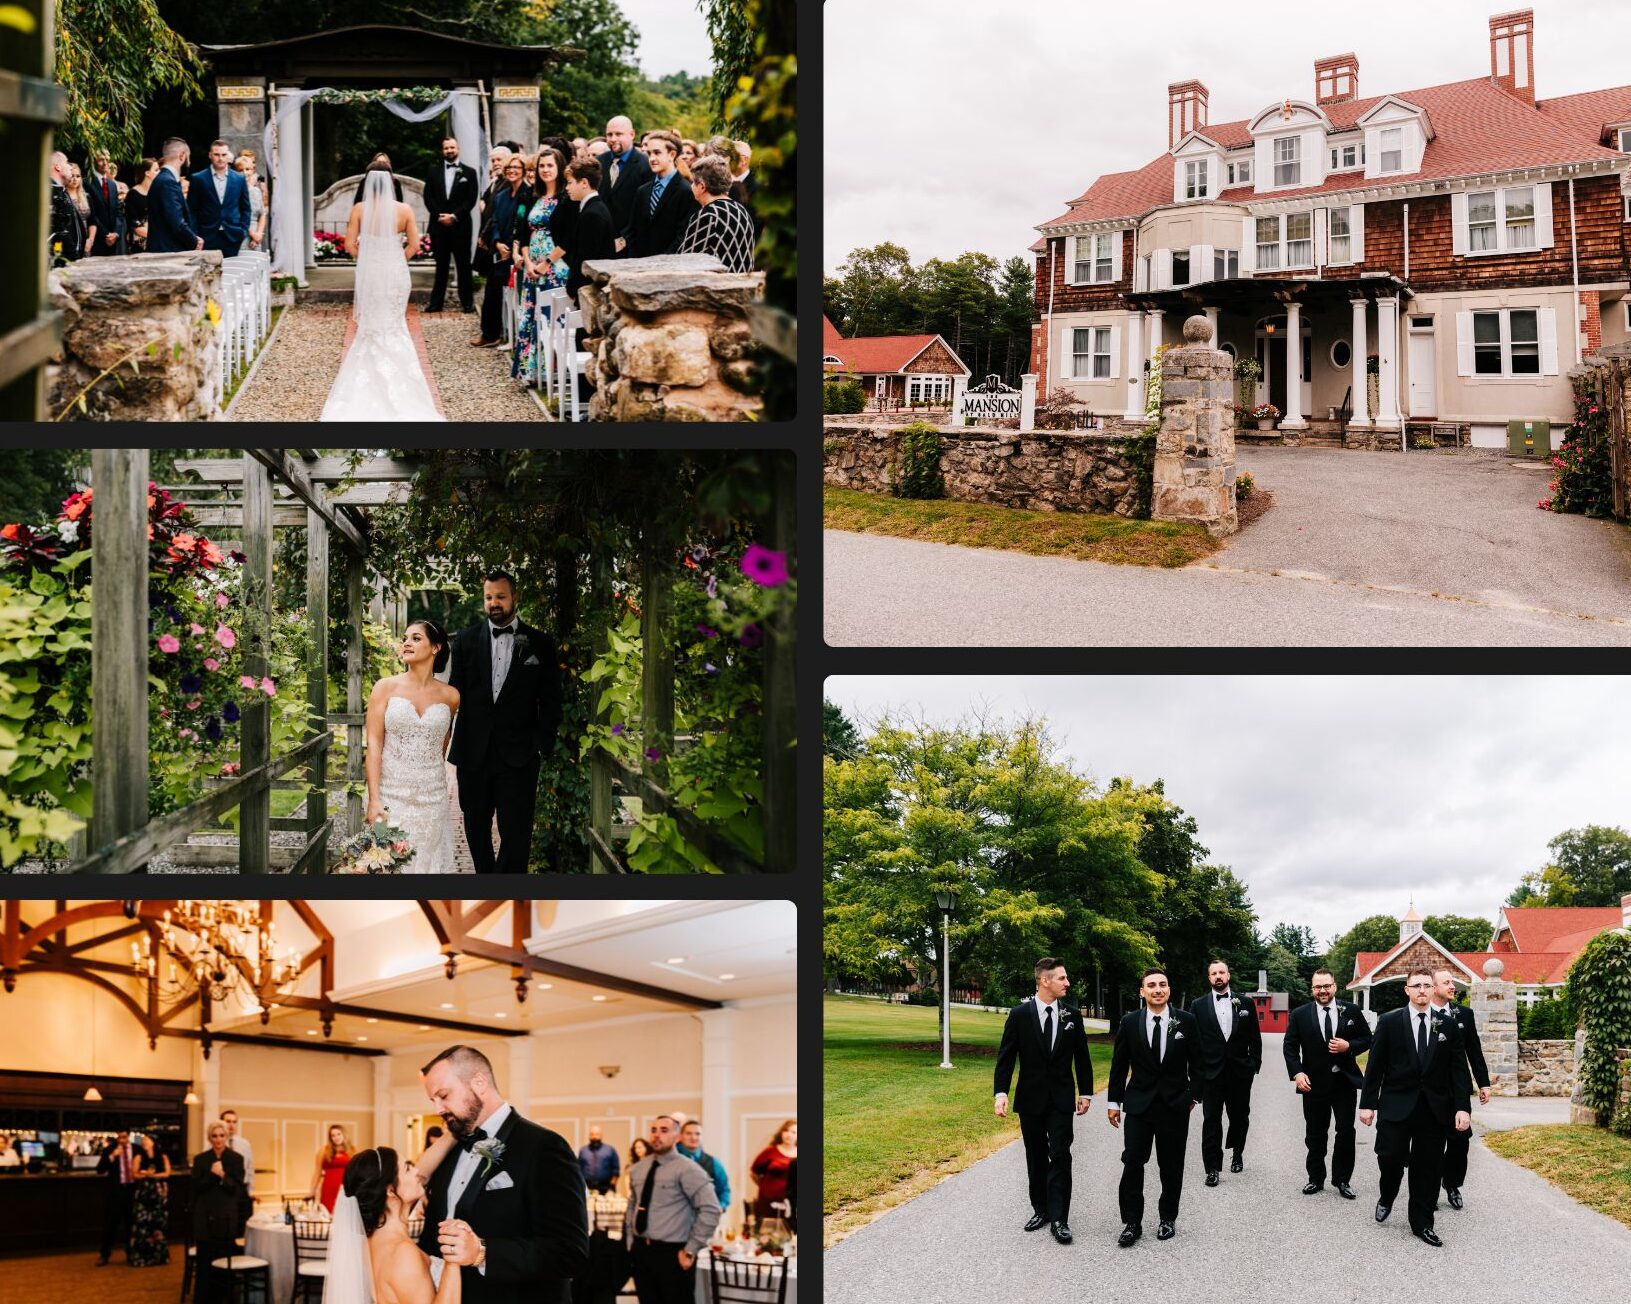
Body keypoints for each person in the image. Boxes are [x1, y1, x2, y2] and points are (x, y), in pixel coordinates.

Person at [415, 1044, 589, 1304]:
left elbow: (568, 1252)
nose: (438, 1109)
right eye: (434, 1101)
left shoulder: (543, 1147)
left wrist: (482, 1252)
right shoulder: (449, 1150)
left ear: (479, 1082)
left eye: (444, 1095)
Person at [446, 572, 563, 874]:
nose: (494, 603)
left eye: (500, 596)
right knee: (474, 827)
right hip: (473, 755)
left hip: (519, 757)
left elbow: (551, 700)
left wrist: (539, 746)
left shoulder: (540, 644)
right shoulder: (465, 641)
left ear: (515, 598)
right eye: (488, 597)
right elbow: (453, 694)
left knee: (517, 834)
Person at [1358, 967, 1475, 1247]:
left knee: (1428, 1168)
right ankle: (1387, 1194)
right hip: (1396, 1106)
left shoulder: (1447, 1025)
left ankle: (1422, 1223)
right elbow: (1375, 1067)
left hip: (1434, 1110)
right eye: (1416, 985)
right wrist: (1367, 1105)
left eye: (1426, 985)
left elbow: (1459, 1070)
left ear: (1432, 989)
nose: (1422, 990)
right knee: (1390, 1158)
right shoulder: (1389, 1022)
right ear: (1407, 990)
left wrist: (1462, 1107)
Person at [320, 165, 445, 423]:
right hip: (396, 272)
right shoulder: (404, 210)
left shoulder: (359, 209)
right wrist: (397, 258)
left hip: (372, 273)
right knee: (395, 323)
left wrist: (368, 256)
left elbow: (348, 245)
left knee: (371, 323)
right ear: (391, 182)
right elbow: (415, 244)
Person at [992, 957, 1094, 1245]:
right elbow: (1006, 1057)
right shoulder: (1020, 1015)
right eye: (1062, 978)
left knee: (1060, 1154)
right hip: (1030, 1099)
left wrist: (1085, 1093)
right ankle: (1041, 1210)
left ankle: (1060, 1218)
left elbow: (1082, 1058)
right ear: (1044, 980)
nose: (1067, 983)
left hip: (1062, 1099)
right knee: (1035, 1155)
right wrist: (1001, 1093)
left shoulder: (1072, 1015)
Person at [1107, 967, 1203, 1247]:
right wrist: (1114, 1102)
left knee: (1171, 1165)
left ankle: (1167, 1218)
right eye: (1151, 985)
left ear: (1169, 990)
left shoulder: (1186, 1021)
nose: (1157, 989)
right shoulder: (1130, 1021)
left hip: (1175, 1106)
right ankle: (1132, 1222)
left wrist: (1193, 1097)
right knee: (1133, 1161)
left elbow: (1199, 1063)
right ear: (1142, 991)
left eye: (1162, 984)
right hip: (1139, 1105)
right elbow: (1119, 1065)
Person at [363, 619, 460, 870]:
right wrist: (374, 800)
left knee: (427, 864)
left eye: (416, 638)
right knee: (388, 865)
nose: (406, 643)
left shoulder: (451, 696)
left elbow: (442, 744)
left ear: (436, 647)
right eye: (405, 638)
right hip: (390, 794)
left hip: (432, 797)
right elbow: (373, 745)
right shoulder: (384, 688)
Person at [329, 1134, 462, 1304]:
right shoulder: (403, 1253)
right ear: (390, 1191)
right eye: (407, 1168)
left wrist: (454, 1132)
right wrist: (452, 1261)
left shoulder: (369, 1243)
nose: (416, 1171)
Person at [1283, 967, 1372, 1199]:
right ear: (1312, 989)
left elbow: (1367, 1038)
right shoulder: (1300, 1014)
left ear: (1334, 986)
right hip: (1312, 1084)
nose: (1322, 990)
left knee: (1345, 1131)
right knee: (1315, 1133)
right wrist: (1297, 1073)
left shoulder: (1350, 1010)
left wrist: (1349, 1046)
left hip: (1344, 1083)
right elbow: (1290, 1047)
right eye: (1317, 987)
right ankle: (1315, 1178)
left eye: (1326, 986)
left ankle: (1342, 1179)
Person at [624, 1115, 720, 1304]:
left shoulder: (688, 1169)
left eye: (664, 1130)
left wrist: (691, 1249)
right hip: (642, 1250)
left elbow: (711, 1209)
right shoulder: (638, 1168)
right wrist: (629, 1239)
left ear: (677, 1136)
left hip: (673, 1254)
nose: (657, 1135)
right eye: (653, 1130)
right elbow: (632, 1204)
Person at [1189, 959, 1262, 1186]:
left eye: (1221, 972)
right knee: (1211, 1120)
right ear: (1209, 978)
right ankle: (1212, 1167)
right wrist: (1195, 1077)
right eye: (1213, 973)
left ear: (1228, 975)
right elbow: (1193, 1044)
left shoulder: (1246, 1003)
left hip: (1240, 1072)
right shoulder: (1198, 1005)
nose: (1218, 976)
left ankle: (1237, 1152)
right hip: (1211, 1073)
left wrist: (1253, 1065)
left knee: (1240, 1117)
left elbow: (1254, 1037)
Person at [1430, 967, 1491, 1211]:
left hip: (1458, 1088)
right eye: (1446, 982)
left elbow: (1474, 1051)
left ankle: (1452, 1184)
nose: (1452, 986)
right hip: (1430, 1089)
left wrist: (1483, 1083)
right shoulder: (1422, 1013)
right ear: (1434, 987)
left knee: (1459, 1140)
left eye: (1452, 982)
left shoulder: (1463, 1014)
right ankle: (1430, 1188)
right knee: (1431, 1142)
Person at [511, 147, 569, 385]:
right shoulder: (530, 197)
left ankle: (551, 372)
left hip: (555, 266)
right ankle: (529, 371)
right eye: (541, 166)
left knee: (549, 318)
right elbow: (523, 231)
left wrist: (547, 263)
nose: (545, 170)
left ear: (560, 168)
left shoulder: (566, 199)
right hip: (531, 267)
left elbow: (568, 237)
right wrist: (526, 260)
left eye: (550, 166)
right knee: (529, 316)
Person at [473, 153, 531, 349]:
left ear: (523, 171)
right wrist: (497, 242)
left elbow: (521, 221)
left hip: (517, 251)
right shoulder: (500, 196)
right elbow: (495, 220)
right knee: (492, 291)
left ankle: (514, 337)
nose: (512, 171)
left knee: (515, 295)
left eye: (516, 168)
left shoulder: (527, 194)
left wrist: (512, 246)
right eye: (509, 168)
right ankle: (490, 333)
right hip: (500, 250)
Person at [192, 1121, 248, 1304]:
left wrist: (223, 1175)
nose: (218, 1139)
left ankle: (224, 1299)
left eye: (222, 1135)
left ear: (227, 1137)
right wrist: (212, 1174)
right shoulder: (201, 1159)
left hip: (226, 1217)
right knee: (204, 1264)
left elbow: (237, 1190)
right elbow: (196, 1187)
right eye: (214, 1136)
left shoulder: (236, 1159)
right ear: (209, 1138)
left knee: (224, 1262)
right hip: (204, 1218)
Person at [424, 137, 480, 314]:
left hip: (461, 227)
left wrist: (454, 216)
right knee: (441, 266)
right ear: (442, 151)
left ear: (458, 149)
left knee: (464, 266)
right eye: (446, 148)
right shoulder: (433, 172)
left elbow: (471, 199)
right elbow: (428, 197)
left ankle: (467, 303)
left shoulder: (469, 173)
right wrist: (440, 215)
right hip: (439, 227)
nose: (449, 150)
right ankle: (435, 304)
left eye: (452, 147)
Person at [623, 131, 699, 260]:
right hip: (639, 266)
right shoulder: (643, 191)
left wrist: (660, 262)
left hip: (670, 266)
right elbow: (632, 230)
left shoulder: (686, 191)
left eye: (657, 153)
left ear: (672, 154)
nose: (651, 158)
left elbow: (684, 236)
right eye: (649, 153)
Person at [678, 157, 756, 274]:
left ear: (702, 187)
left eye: (694, 182)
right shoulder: (740, 209)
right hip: (743, 284)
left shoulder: (709, 215)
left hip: (721, 287)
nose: (691, 186)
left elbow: (685, 260)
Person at [187, 139, 252, 258]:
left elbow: (246, 208)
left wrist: (242, 232)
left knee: (232, 272)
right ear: (210, 155)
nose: (220, 158)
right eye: (217, 154)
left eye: (224, 155)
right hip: (207, 235)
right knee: (208, 274)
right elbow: (191, 209)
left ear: (228, 156)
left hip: (232, 235)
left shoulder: (239, 179)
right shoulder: (198, 179)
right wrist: (196, 234)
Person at [562, 159, 615, 305]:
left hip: (590, 292)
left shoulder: (592, 214)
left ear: (584, 183)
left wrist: (573, 287)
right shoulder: (593, 208)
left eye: (570, 182)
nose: (567, 188)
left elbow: (587, 259)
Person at [600, 115, 651, 252]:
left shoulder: (646, 164)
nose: (613, 139)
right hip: (599, 241)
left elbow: (645, 211)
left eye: (618, 134)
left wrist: (625, 239)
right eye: (609, 134)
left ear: (632, 134)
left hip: (631, 245)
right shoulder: (598, 163)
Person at [145, 138, 202, 254]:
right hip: (168, 250)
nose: (189, 161)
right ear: (182, 156)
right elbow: (177, 222)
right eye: (188, 157)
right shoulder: (168, 182)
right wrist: (195, 241)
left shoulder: (162, 178)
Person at [96, 1129, 139, 1266]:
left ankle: (131, 1254)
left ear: (129, 1136)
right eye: (119, 1138)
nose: (122, 1140)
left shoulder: (137, 1149)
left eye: (124, 1137)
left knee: (131, 1225)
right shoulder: (110, 1149)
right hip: (115, 1192)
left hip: (132, 1190)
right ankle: (105, 1254)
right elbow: (100, 1169)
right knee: (110, 1224)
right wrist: (112, 1156)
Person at [129, 1135, 171, 1267]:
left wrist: (152, 1175)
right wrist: (145, 1175)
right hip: (143, 1191)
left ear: (153, 1142)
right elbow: (134, 1174)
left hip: (158, 1191)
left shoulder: (162, 1157)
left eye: (146, 1140)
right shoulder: (138, 1157)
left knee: (158, 1223)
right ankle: (141, 1257)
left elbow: (167, 1173)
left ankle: (159, 1256)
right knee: (142, 1223)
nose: (144, 1142)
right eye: (143, 1140)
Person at [675, 1120, 730, 1219]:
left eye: (697, 1134)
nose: (693, 1137)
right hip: (675, 1219)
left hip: (704, 1219)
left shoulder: (714, 1163)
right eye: (688, 1133)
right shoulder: (671, 1160)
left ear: (702, 1137)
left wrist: (720, 1207)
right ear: (681, 1136)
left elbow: (724, 1189)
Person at [747, 1121, 796, 1221]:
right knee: (768, 1231)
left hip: (792, 1202)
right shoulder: (770, 1152)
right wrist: (765, 1187)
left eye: (793, 1132)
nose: (789, 1135)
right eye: (786, 1131)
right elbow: (754, 1173)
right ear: (781, 1133)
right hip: (768, 1201)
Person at [48, 151, 87, 265]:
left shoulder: (61, 190)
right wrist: (71, 257)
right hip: (60, 263)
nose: (70, 167)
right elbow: (57, 232)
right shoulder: (50, 192)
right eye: (66, 162)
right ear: (58, 167)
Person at [85, 153, 126, 256]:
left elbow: (118, 211)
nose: (105, 163)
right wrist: (105, 235)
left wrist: (116, 233)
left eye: (107, 160)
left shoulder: (112, 184)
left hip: (113, 241)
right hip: (96, 240)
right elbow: (91, 213)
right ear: (93, 162)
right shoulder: (86, 183)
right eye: (101, 160)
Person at [311, 1124, 354, 1212]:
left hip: (346, 1187)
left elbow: (357, 1172)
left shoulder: (352, 1150)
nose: (336, 1137)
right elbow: (317, 1172)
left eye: (338, 1134)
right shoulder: (324, 1150)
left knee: (344, 1213)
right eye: (333, 1135)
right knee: (328, 1213)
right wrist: (312, 1191)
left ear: (344, 1135)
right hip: (328, 1187)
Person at [124, 158, 159, 252]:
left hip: (158, 243)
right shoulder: (133, 194)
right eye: (156, 170)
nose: (159, 172)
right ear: (147, 173)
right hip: (140, 245)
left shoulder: (157, 192)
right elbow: (134, 225)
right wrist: (158, 236)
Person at [233, 156, 267, 252]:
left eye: (247, 169)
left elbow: (262, 214)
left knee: (256, 264)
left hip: (256, 238)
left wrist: (259, 234)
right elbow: (237, 216)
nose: (244, 173)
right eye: (240, 170)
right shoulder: (234, 191)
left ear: (252, 170)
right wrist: (252, 234)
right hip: (241, 234)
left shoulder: (256, 191)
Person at [221, 1109, 254, 1202]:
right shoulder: (215, 1144)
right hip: (223, 1188)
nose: (231, 1125)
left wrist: (250, 1191)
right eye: (228, 1121)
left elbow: (250, 1168)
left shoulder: (244, 1144)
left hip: (241, 1188)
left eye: (234, 1122)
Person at [578, 1125, 620, 1194]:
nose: (594, 1137)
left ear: (601, 1135)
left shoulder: (610, 1150)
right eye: (592, 1134)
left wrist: (612, 1186)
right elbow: (579, 1168)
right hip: (587, 1186)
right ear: (589, 1136)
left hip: (606, 1187)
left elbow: (616, 1170)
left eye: (597, 1134)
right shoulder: (583, 1151)